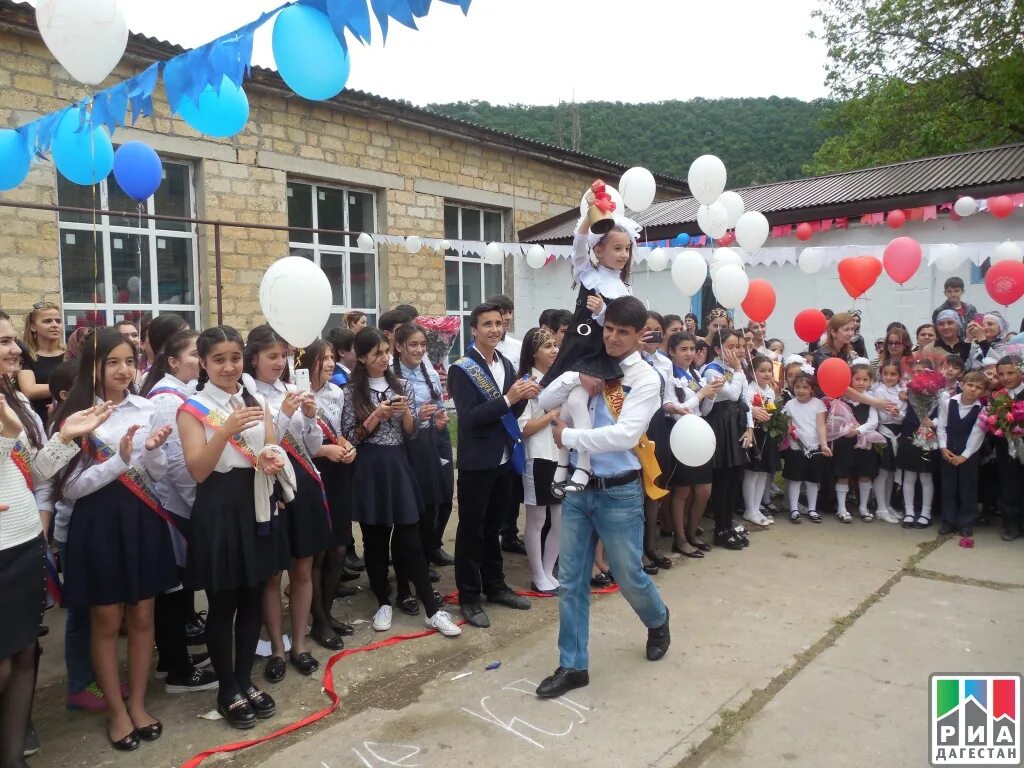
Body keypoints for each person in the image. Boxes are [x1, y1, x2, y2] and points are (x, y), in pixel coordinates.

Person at [535, 296, 670, 699]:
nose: (611, 338)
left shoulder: (644, 379)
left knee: (629, 576)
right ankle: (573, 665)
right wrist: (577, 376)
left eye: (622, 333)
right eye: (608, 329)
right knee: (571, 581)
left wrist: (568, 437)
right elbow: (544, 398)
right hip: (578, 491)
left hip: (620, 492)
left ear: (639, 334)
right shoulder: (588, 360)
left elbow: (625, 436)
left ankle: (658, 618)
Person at [54, 328, 178, 750]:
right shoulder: (77, 416)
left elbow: (157, 474)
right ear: (94, 365)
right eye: (113, 362)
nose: (124, 370)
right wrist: (120, 462)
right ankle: (117, 711)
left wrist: (155, 450)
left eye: (130, 361)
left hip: (143, 519)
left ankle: (139, 702)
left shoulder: (148, 408)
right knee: (107, 620)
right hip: (99, 523)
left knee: (143, 616)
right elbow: (69, 488)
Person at [0, 312, 108, 763]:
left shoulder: (16, 402)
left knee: (26, 651)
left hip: (25, 540)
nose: (14, 350)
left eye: (11, 341)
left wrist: (64, 437)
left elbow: (38, 471)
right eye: (3, 342)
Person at [178, 326, 291, 729]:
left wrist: (273, 459)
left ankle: (245, 679)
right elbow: (198, 469)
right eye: (219, 360)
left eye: (235, 358)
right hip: (219, 507)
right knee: (223, 602)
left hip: (257, 502)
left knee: (254, 597)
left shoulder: (256, 399)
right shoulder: (192, 409)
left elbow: (272, 445)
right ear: (204, 364)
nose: (229, 367)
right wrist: (225, 431)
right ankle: (227, 688)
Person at [342, 328, 461, 637]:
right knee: (375, 538)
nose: (384, 358)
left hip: (398, 463)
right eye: (377, 353)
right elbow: (351, 435)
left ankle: (433, 611)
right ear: (363, 356)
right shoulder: (352, 389)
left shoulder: (402, 384)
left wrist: (407, 412)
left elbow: (411, 432)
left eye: (386, 351)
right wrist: (376, 416)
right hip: (370, 466)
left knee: (410, 535)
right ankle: (382, 600)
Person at [242, 326, 329, 682]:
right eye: (271, 356)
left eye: (284, 356)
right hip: (267, 490)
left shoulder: (293, 389)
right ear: (254, 358)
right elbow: (258, 444)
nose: (279, 363)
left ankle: (300, 644)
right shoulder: (244, 396)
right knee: (271, 575)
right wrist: (281, 413)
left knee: (303, 568)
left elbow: (311, 444)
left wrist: (309, 415)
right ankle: (277, 646)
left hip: (301, 483)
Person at [542, 186, 640, 498]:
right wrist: (588, 215)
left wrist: (602, 314)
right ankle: (564, 463)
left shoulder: (623, 290)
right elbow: (578, 245)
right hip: (576, 346)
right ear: (600, 251)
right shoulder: (587, 273)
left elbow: (621, 326)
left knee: (579, 403)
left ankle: (581, 464)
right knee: (565, 405)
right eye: (617, 249)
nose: (623, 255)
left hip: (597, 352)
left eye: (627, 249)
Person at [449, 302, 537, 628]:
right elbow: (470, 419)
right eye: (487, 324)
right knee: (472, 531)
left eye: (498, 323)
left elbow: (509, 412)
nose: (494, 330)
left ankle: (496, 586)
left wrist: (524, 395)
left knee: (494, 528)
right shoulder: (461, 368)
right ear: (473, 330)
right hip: (476, 462)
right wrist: (510, 398)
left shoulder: (505, 364)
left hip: (503, 457)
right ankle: (469, 597)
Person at [142, 330, 218, 695]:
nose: (198, 358)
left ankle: (174, 658)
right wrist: (198, 511)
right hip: (176, 506)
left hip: (178, 505)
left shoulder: (181, 394)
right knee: (173, 592)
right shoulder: (167, 401)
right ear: (172, 362)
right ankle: (176, 669)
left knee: (181, 590)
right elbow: (178, 466)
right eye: (193, 353)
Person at [295, 341, 357, 651]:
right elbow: (290, 440)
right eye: (324, 359)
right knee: (317, 552)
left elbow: (341, 429)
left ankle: (326, 612)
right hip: (311, 472)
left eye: (333, 357)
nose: (331, 364)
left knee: (339, 548)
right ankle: (317, 619)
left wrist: (346, 446)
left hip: (338, 472)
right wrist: (324, 450)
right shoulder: (296, 394)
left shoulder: (337, 392)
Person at [392, 323, 449, 609]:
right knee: (407, 521)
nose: (418, 350)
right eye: (412, 345)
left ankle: (421, 571)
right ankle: (403, 586)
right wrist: (415, 415)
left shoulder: (430, 375)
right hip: (402, 450)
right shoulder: (392, 377)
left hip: (426, 446)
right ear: (399, 346)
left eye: (422, 345)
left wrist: (437, 420)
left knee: (430, 511)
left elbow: (436, 411)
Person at [663, 331, 721, 556]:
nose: (688, 354)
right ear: (671, 352)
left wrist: (711, 394)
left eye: (691, 349)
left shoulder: (696, 374)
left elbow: (703, 411)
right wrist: (701, 394)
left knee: (704, 490)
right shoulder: (670, 378)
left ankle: (691, 531)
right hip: (681, 437)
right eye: (683, 349)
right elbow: (678, 411)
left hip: (699, 436)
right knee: (683, 491)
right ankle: (680, 537)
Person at [516, 327, 562, 594]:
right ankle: (537, 574)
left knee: (560, 519)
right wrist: (551, 414)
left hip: (560, 455)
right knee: (536, 519)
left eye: (555, 345)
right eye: (547, 347)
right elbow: (523, 429)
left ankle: (548, 570)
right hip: (538, 455)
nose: (554, 350)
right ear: (533, 352)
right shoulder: (527, 383)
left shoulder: (558, 381)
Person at [702, 329, 754, 550]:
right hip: (720, 426)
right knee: (723, 480)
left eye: (738, 347)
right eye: (730, 347)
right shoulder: (711, 370)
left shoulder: (734, 369)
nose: (737, 351)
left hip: (737, 425)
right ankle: (720, 529)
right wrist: (739, 369)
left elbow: (745, 400)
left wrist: (750, 427)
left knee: (735, 478)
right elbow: (731, 394)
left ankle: (729, 524)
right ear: (717, 349)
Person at [937, 371, 989, 537]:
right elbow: (942, 426)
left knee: (968, 489)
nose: (973, 389)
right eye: (970, 385)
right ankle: (948, 521)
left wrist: (964, 456)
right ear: (962, 385)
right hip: (949, 452)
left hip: (969, 455)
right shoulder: (948, 403)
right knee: (948, 487)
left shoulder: (982, 409)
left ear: (984, 392)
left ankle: (966, 522)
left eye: (978, 387)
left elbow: (977, 434)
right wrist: (943, 447)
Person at [830, 363, 880, 523]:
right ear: (850, 380)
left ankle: (863, 507)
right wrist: (848, 429)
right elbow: (835, 419)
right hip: (846, 443)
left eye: (865, 379)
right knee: (843, 475)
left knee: (865, 475)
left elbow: (873, 422)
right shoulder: (842, 399)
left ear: (870, 381)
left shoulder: (870, 400)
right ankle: (842, 508)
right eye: (857, 379)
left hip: (865, 443)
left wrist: (858, 431)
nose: (861, 382)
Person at [782, 370, 831, 523]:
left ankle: (812, 509)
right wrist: (788, 430)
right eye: (797, 387)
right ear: (793, 388)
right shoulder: (789, 404)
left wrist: (823, 445)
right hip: (797, 447)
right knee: (795, 480)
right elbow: (787, 425)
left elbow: (821, 425)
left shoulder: (818, 404)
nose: (801, 391)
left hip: (814, 447)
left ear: (811, 389)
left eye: (805, 387)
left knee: (812, 480)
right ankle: (794, 509)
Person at [896, 359, 938, 529]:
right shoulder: (907, 392)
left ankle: (926, 512)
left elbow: (943, 415)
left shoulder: (938, 394)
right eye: (916, 371)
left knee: (926, 476)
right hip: (909, 434)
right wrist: (900, 402)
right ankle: (909, 512)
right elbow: (899, 415)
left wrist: (933, 422)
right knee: (909, 475)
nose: (919, 374)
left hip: (927, 436)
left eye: (924, 371)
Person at [742, 356, 780, 527]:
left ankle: (757, 508)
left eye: (769, 371)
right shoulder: (750, 390)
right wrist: (753, 409)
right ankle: (749, 509)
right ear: (752, 372)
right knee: (752, 473)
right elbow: (745, 408)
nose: (767, 374)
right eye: (762, 370)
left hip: (767, 436)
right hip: (754, 434)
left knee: (763, 473)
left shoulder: (770, 391)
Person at [17, 301, 66, 423]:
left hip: (66, 419)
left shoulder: (70, 355)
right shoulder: (26, 356)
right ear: (33, 326)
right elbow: (29, 390)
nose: (55, 325)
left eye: (58, 321)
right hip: (36, 420)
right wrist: (68, 387)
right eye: (47, 321)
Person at [869, 361, 906, 524]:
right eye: (886, 373)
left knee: (891, 473)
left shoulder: (902, 391)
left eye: (893, 374)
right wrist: (895, 413)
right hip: (884, 433)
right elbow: (882, 415)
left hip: (897, 434)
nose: (889, 377)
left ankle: (888, 504)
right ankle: (881, 508)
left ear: (899, 376)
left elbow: (905, 414)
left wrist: (898, 413)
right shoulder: (878, 390)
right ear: (881, 374)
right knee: (882, 472)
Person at [993, 355, 1024, 541]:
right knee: (1009, 485)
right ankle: (1011, 524)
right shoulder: (998, 396)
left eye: (1010, 373)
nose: (1006, 378)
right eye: (1001, 374)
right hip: (1006, 448)